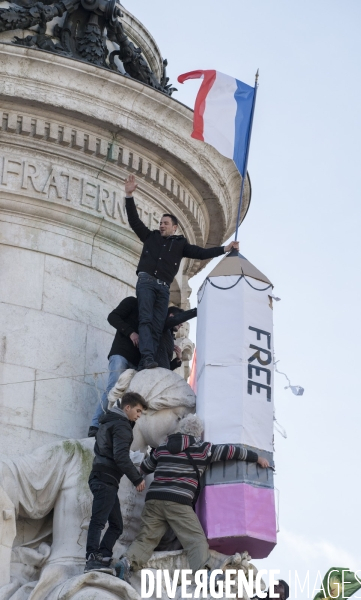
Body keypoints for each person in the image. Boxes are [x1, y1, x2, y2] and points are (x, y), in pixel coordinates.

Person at [113, 414, 270, 580]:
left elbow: (145, 468)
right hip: (178, 502)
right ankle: (204, 574)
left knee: (146, 539)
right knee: (194, 539)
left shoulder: (162, 448)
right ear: (198, 434)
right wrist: (257, 458)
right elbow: (231, 452)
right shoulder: (201, 449)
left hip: (153, 501)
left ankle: (127, 563)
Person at [124, 174, 239, 370]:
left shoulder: (180, 245)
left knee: (158, 324)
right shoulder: (150, 237)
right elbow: (134, 221)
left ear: (175, 228)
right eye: (160, 222)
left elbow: (201, 253)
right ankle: (147, 357)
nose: (161, 225)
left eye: (165, 223)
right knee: (145, 319)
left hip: (163, 288)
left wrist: (224, 249)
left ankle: (150, 357)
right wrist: (129, 196)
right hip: (146, 282)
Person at [88, 298, 196, 436]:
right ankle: (96, 425)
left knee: (130, 398)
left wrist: (177, 360)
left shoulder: (157, 321)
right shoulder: (133, 303)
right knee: (113, 387)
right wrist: (131, 333)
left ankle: (115, 429)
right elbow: (112, 317)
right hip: (122, 353)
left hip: (138, 362)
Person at [84, 391, 148, 574]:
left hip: (104, 478)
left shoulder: (109, 422)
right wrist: (137, 478)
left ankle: (103, 556)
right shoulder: (122, 426)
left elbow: (112, 452)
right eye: (137, 411)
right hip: (105, 479)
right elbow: (120, 457)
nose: (139, 415)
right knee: (98, 521)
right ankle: (91, 559)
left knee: (116, 525)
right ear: (126, 407)